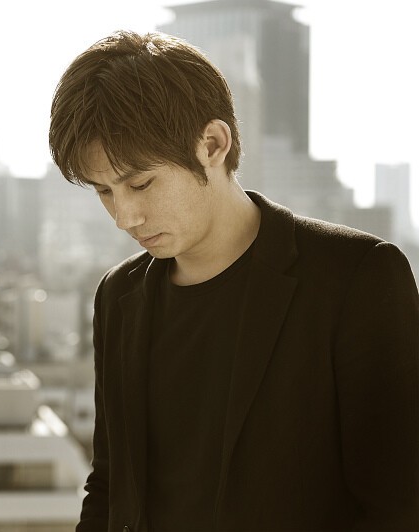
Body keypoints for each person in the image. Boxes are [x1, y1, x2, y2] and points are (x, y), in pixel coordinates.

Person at [48, 30, 419, 531]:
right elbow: (110, 485)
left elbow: (399, 504)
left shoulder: (356, 277)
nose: (125, 216)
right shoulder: (119, 296)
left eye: (140, 183)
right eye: (104, 192)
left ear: (213, 144)